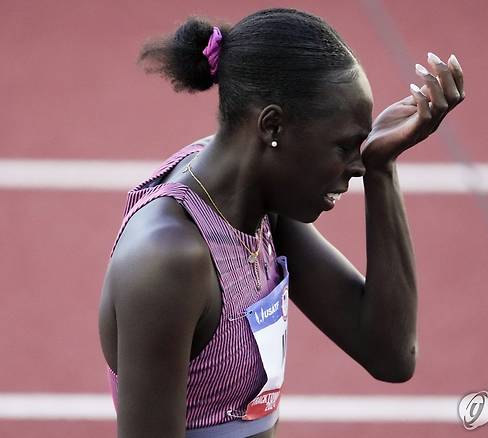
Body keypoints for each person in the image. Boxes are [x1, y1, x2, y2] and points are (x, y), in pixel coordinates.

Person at [98, 7, 464, 438]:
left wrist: (383, 168)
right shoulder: (171, 262)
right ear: (272, 126)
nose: (357, 166)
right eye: (346, 146)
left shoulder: (256, 203)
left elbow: (390, 352)